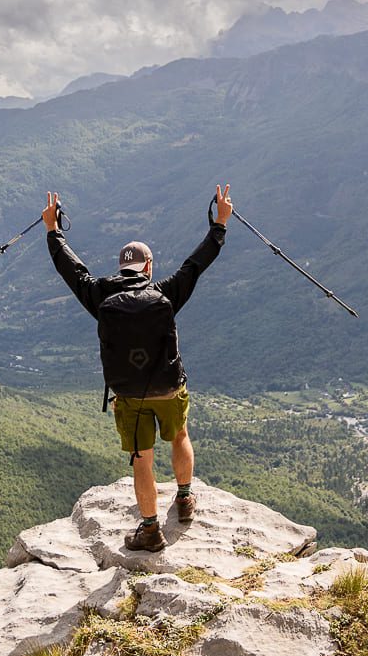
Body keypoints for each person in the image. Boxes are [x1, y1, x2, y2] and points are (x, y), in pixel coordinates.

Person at [44, 184, 231, 551]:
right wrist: (220, 225)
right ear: (147, 267)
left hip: (128, 394)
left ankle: (150, 530)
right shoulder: (165, 293)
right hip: (169, 387)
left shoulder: (101, 296)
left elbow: (72, 270)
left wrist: (53, 231)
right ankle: (184, 499)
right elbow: (196, 265)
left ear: (120, 268)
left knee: (141, 460)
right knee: (180, 437)